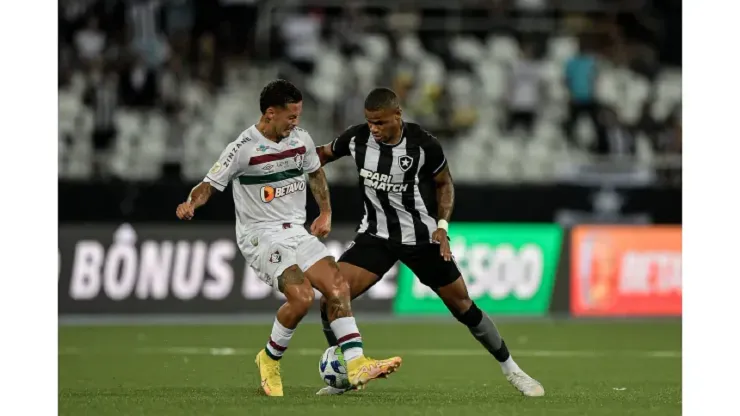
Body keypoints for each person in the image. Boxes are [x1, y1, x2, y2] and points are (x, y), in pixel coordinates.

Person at [175, 80, 401, 397]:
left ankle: (355, 362)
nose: (296, 123)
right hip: (261, 236)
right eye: (291, 117)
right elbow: (209, 184)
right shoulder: (243, 149)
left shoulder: (301, 140)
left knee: (337, 287)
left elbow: (315, 173)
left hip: (295, 231)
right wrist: (190, 203)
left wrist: (325, 212)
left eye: (298, 116)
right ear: (270, 113)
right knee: (302, 297)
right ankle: (269, 358)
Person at [314, 87, 545, 397]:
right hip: (376, 237)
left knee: (463, 306)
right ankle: (349, 374)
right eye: (369, 122)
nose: (374, 129)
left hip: (422, 239)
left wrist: (442, 225)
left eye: (380, 122)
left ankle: (513, 370)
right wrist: (285, 158)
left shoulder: (423, 145)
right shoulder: (357, 139)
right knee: (331, 296)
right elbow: (320, 154)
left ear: (398, 116)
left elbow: (444, 183)